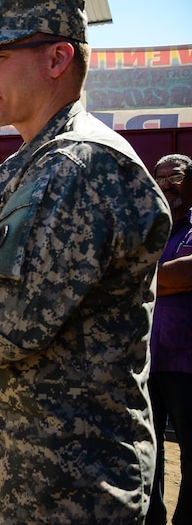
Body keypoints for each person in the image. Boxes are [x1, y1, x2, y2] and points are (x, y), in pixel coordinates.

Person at [0, 0, 171, 523]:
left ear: (57, 57)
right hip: (21, 481)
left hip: (72, 490)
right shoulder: (25, 165)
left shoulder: (76, 167)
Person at [146, 153, 192, 525]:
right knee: (149, 449)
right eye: (159, 177)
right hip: (147, 360)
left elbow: (184, 275)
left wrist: (142, 278)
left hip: (185, 361)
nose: (165, 184)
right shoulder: (153, 228)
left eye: (174, 177)